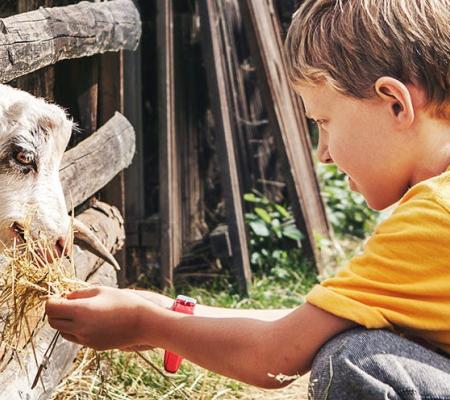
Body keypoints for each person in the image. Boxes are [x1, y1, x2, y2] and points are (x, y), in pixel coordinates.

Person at [46, 0, 450, 398]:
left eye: (324, 123)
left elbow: (277, 354)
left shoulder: (434, 213)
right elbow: (307, 326)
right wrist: (166, 310)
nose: (323, 152)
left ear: (396, 104)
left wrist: (144, 324)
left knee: (356, 363)